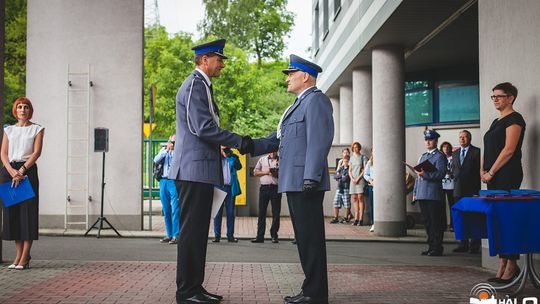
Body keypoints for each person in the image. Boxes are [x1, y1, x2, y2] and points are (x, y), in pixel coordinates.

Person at [243, 54, 333, 304]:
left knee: (311, 239)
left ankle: (315, 294)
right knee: (304, 239)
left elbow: (320, 140)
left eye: (291, 74)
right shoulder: (295, 106)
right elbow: (276, 139)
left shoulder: (316, 101)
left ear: (305, 77)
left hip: (305, 182)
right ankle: (311, 290)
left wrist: (312, 177)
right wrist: (247, 144)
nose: (287, 79)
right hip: (293, 181)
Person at [168, 39, 252, 304]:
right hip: (193, 171)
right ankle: (187, 292)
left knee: (197, 234)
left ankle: (195, 287)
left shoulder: (202, 85)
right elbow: (203, 128)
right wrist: (239, 140)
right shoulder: (195, 84)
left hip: (200, 171)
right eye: (220, 59)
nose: (223, 64)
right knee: (192, 233)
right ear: (205, 60)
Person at [482, 82, 525, 284]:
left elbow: (509, 150)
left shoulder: (515, 119)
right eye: (493, 96)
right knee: (497, 221)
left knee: (507, 220)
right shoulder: (494, 122)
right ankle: (502, 263)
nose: (495, 99)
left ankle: (512, 265)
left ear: (511, 98)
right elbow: (488, 148)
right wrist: (482, 171)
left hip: (507, 175)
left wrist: (491, 172)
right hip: (492, 176)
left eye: (499, 96)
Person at [1, 97, 45, 270]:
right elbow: (3, 153)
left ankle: (25, 256)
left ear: (30, 110)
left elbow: (36, 152)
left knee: (28, 213)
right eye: (19, 107)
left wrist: (21, 171)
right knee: (13, 214)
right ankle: (18, 256)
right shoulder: (9, 130)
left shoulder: (37, 129)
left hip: (27, 171)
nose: (22, 109)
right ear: (15, 110)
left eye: (26, 107)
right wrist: (12, 171)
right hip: (9, 172)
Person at [413, 129, 446, 257]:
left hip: (433, 194)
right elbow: (417, 177)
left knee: (435, 222)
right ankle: (431, 246)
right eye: (426, 140)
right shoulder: (423, 156)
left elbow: (441, 174)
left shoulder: (439, 156)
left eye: (430, 140)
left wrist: (425, 174)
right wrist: (415, 192)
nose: (428, 142)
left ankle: (437, 247)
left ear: (436, 141)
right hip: (422, 193)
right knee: (427, 222)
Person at [451, 130, 481, 254]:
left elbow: (479, 171)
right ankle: (462, 244)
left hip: (472, 190)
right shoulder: (455, 153)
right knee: (460, 218)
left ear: (470, 138)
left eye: (465, 137)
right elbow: (454, 170)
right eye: (460, 137)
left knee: (474, 218)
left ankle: (474, 245)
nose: (462, 139)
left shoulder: (477, 152)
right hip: (458, 190)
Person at [153, 134, 179, 245]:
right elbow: (156, 160)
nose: (172, 144)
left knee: (175, 209)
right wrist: (166, 150)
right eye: (171, 141)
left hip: (173, 181)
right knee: (166, 209)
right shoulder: (164, 150)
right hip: (163, 181)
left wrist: (173, 151)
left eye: (174, 142)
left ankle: (176, 235)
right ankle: (169, 234)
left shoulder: (178, 152)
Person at [251, 151, 282, 243]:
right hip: (264, 188)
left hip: (276, 188)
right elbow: (255, 173)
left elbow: (285, 174)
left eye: (274, 150)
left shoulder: (281, 160)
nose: (273, 152)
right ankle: (260, 236)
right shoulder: (262, 159)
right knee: (261, 212)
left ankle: (274, 235)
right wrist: (266, 172)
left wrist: (276, 174)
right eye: (271, 150)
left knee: (276, 212)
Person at [213, 146, 242, 243]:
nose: (225, 150)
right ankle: (217, 236)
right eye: (223, 149)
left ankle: (230, 236)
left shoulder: (233, 157)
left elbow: (239, 166)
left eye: (226, 148)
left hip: (230, 188)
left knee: (230, 213)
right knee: (217, 213)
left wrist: (229, 156)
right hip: (219, 187)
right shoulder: (216, 158)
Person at [349, 142, 367, 226]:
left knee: (360, 197)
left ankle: (361, 219)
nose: (355, 149)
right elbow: (350, 170)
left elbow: (365, 170)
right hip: (353, 181)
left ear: (359, 148)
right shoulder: (351, 158)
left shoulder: (363, 157)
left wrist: (358, 178)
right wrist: (352, 179)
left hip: (360, 180)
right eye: (354, 147)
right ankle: (355, 219)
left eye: (357, 147)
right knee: (354, 198)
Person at [330, 155, 351, 224]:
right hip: (339, 188)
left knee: (346, 203)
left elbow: (346, 178)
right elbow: (335, 176)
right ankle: (336, 218)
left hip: (346, 188)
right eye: (344, 161)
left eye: (346, 161)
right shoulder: (341, 168)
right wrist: (341, 176)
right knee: (336, 202)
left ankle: (346, 218)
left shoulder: (349, 169)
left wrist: (340, 176)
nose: (345, 162)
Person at [439, 141, 454, 231]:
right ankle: (442, 225)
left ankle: (452, 225)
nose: (446, 149)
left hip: (451, 184)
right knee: (441, 205)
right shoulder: (440, 158)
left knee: (452, 205)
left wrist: (452, 173)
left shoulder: (453, 157)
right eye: (444, 147)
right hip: (441, 184)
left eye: (447, 147)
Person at [363, 152, 375, 232]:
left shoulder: (384, 159)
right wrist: (370, 180)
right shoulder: (370, 162)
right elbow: (365, 174)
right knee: (372, 205)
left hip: (382, 186)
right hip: (372, 185)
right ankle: (373, 223)